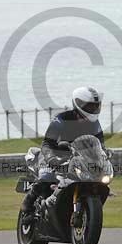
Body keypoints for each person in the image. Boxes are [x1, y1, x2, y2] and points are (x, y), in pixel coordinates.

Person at [21, 86, 107, 217]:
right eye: (90, 106)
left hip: (77, 160)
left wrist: (104, 155)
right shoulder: (61, 119)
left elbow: (100, 145)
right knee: (46, 177)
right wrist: (51, 158)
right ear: (79, 104)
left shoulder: (95, 124)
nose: (94, 110)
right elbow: (47, 143)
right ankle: (28, 202)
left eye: (96, 106)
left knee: (97, 180)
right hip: (55, 155)